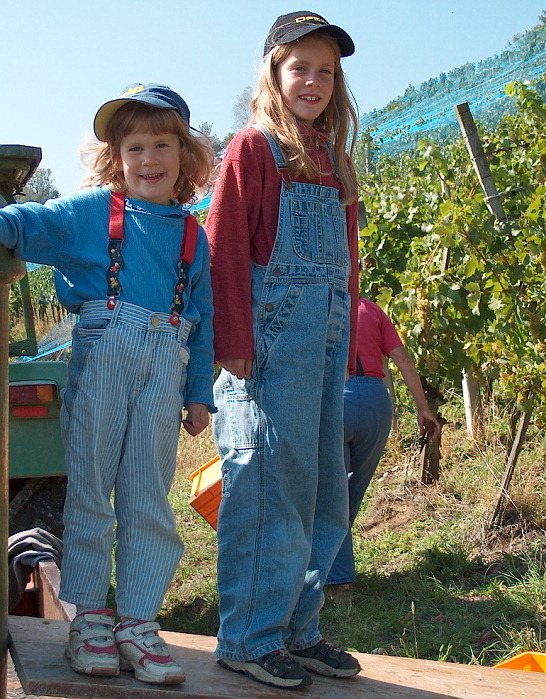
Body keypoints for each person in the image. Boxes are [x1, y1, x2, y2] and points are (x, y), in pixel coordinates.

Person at [0, 84, 215, 685]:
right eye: (136, 147)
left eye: (163, 145)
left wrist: (199, 391)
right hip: (104, 356)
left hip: (164, 364)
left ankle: (139, 624)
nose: (150, 159)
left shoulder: (193, 236)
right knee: (91, 491)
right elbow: (27, 222)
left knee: (149, 497)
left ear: (185, 155)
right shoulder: (94, 214)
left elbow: (204, 319)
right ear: (116, 158)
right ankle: (90, 618)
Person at [205, 10, 362, 690]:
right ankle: (249, 634)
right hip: (269, 341)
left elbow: (347, 264)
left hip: (325, 336)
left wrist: (347, 336)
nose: (314, 80)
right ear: (273, 71)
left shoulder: (332, 156)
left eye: (326, 70)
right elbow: (224, 247)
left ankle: (299, 627)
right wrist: (233, 341)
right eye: (300, 67)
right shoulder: (254, 147)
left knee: (320, 484)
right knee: (268, 486)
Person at [326, 296, 441, 603]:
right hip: (377, 404)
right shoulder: (372, 310)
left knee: (331, 497)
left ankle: (337, 582)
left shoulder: (321, 304)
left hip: (337, 398)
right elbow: (402, 359)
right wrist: (423, 408)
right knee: (350, 495)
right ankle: (334, 572)